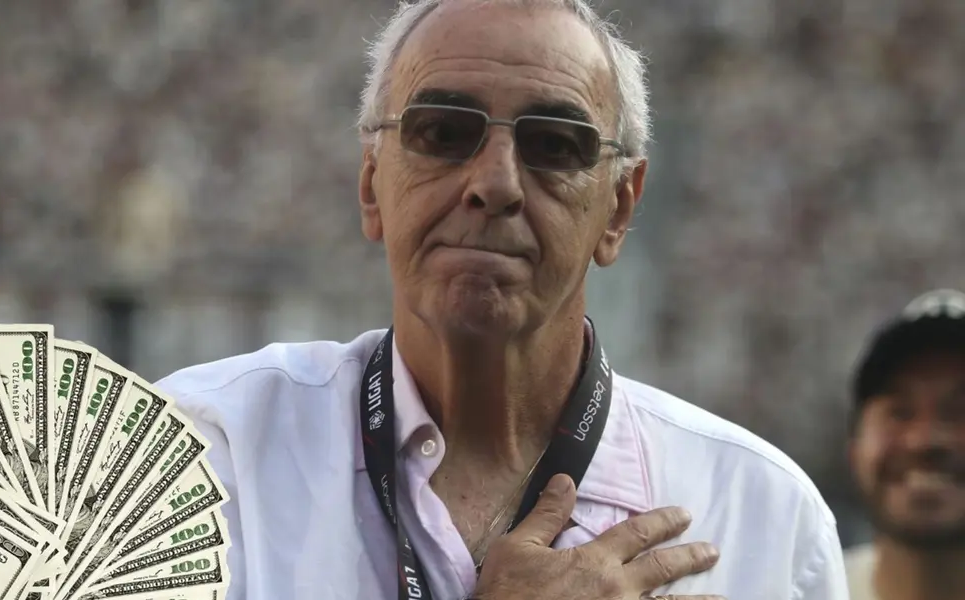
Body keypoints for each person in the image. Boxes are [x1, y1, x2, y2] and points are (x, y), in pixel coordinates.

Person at [158, 1, 848, 598]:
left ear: (618, 209)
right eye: (443, 133)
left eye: (554, 144)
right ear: (371, 186)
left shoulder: (764, 516)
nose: (495, 184)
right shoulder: (199, 455)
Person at [843, 288, 965, 600]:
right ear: (855, 451)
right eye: (900, 412)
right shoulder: (793, 589)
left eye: (959, 411)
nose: (924, 439)